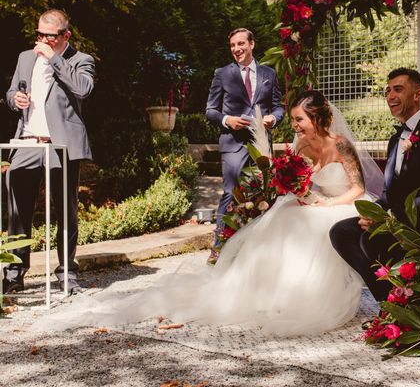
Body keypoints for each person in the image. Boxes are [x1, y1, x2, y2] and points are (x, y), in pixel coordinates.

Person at [46, 90, 383, 336]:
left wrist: (326, 204)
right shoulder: (300, 145)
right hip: (315, 201)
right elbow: (301, 181)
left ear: (318, 119)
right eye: (294, 119)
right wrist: (301, 192)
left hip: (344, 203)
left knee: (308, 222)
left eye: (299, 120)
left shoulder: (340, 145)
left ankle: (304, 294)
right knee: (286, 216)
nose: (294, 126)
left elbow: (356, 188)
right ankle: (267, 292)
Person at [330, 67, 420, 302]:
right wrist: (373, 212)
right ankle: (388, 301)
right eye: (387, 91)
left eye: (398, 89)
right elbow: (389, 193)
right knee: (342, 232)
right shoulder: (395, 139)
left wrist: (389, 217)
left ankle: (405, 303)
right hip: (393, 219)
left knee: (372, 237)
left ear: (417, 94)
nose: (390, 96)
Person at [3, 9, 95, 295]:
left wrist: (54, 59)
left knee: (65, 210)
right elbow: (9, 94)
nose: (41, 40)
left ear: (65, 35)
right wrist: (14, 99)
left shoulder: (81, 60)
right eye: (39, 33)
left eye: (49, 36)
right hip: (27, 141)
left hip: (60, 144)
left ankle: (67, 273)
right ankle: (14, 274)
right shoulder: (24, 58)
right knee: (18, 210)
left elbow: (83, 89)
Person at [205, 28, 285, 242]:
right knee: (231, 193)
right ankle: (219, 247)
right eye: (233, 45)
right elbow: (210, 110)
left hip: (261, 144)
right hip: (234, 144)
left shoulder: (269, 74)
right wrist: (227, 120)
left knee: (265, 194)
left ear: (252, 44)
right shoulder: (222, 74)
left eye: (240, 44)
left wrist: (273, 119)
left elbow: (279, 107)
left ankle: (260, 245)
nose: (236, 49)